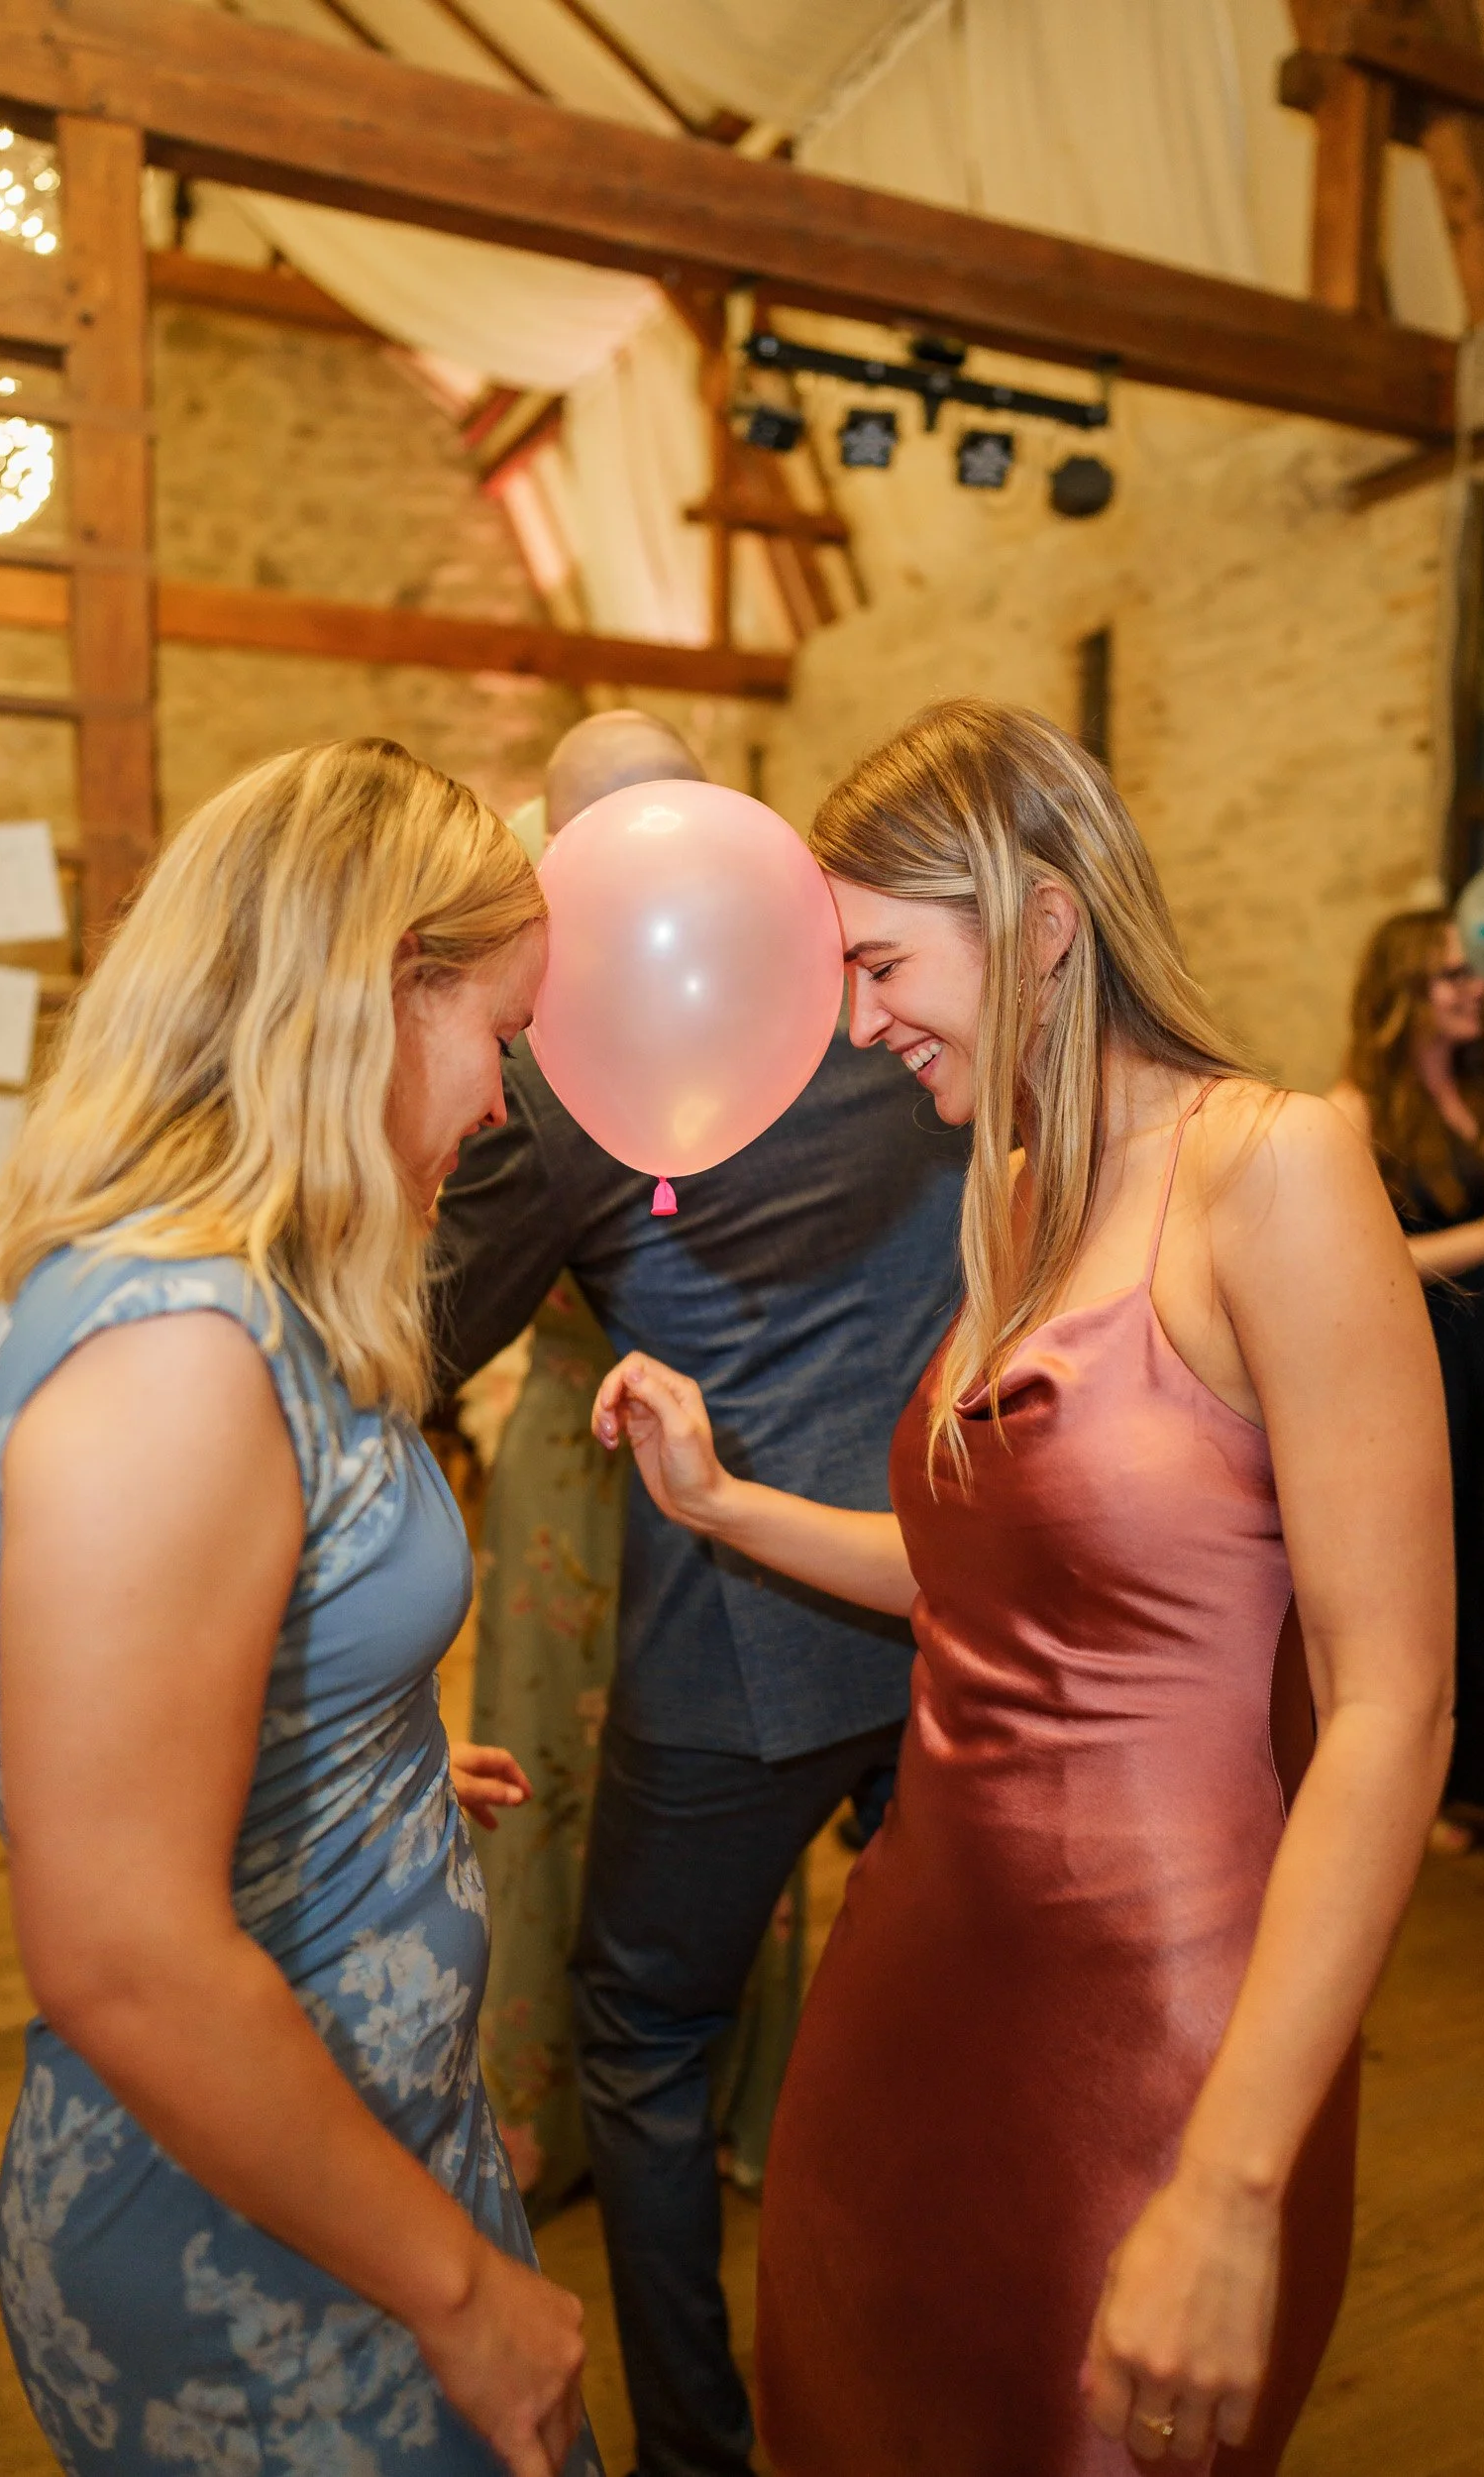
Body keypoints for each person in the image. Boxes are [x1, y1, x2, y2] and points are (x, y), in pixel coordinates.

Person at [593, 700, 1453, 2477]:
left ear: (1042, 922)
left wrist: (1231, 2183)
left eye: (883, 961)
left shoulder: (1270, 1170)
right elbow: (993, 1587)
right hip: (919, 1979)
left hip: (1157, 2030)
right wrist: (725, 1504)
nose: (854, 1019)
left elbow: (1391, 1707)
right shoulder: (1009, 1190)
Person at [0, 738, 597, 2477]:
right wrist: (459, 2292)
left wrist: (336, 1751)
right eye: (501, 1037)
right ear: (376, 992)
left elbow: (168, 1685)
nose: (506, 1102)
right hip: (255, 2241)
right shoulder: (177, 1353)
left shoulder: (235, 1288)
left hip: (359, 2155)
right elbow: (127, 1960)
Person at [432, 706, 970, 2477]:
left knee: (645, 2031)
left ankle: (696, 2454)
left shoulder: (570, 1067)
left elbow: (435, 1331)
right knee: (930, 2016)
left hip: (732, 1639)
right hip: (954, 1583)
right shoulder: (878, 996)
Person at [472, 714, 804, 2221]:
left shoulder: (778, 984)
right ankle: (552, 2108)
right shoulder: (526, 1017)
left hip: (735, 1442)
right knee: (546, 1769)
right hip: (568, 1441)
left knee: (733, 1767)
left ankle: (724, 2092)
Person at [1330, 908, 1484, 1847]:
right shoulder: (1354, 1113)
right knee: (1435, 1575)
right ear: (1402, 994)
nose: (1474, 988)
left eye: (1471, 972)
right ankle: (1427, 1784)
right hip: (1426, 1370)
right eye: (1450, 975)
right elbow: (1357, 1261)